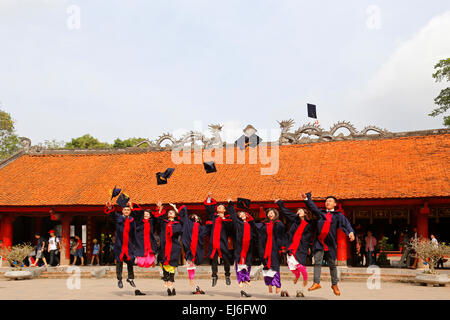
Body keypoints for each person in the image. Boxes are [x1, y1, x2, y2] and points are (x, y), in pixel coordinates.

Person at [301, 192, 355, 296]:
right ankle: (316, 283)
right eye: (326, 201)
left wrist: (350, 232)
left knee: (332, 265)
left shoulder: (338, 215)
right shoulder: (321, 213)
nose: (327, 202)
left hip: (330, 243)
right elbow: (313, 207)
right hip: (319, 242)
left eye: (330, 201)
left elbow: (346, 224)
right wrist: (307, 199)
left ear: (335, 204)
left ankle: (334, 284)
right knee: (317, 262)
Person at [276, 199, 314, 297]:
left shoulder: (308, 225)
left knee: (300, 266)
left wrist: (309, 246)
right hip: (291, 247)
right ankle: (296, 279)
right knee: (291, 266)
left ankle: (304, 280)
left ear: (305, 214)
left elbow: (309, 237)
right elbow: (287, 213)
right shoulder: (295, 221)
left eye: (300, 211)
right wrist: (280, 203)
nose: (298, 212)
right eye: (297, 211)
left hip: (301, 248)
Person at [254, 208, 287, 297]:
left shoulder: (279, 224)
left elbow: (282, 235)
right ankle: (269, 284)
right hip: (264, 248)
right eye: (268, 213)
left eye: (272, 213)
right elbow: (256, 230)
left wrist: (283, 247)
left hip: (274, 248)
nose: (270, 214)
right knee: (266, 267)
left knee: (275, 267)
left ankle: (277, 285)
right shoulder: (263, 224)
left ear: (275, 214)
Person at [204, 192, 234, 287]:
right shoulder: (213, 217)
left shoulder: (228, 218)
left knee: (226, 259)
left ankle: (227, 275)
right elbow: (208, 209)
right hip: (214, 242)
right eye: (218, 207)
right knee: (213, 260)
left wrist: (224, 218)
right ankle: (214, 276)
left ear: (224, 210)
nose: (219, 208)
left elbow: (231, 227)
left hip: (222, 242)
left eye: (221, 207)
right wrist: (209, 198)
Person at [105, 200, 137, 289]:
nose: (126, 211)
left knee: (130, 261)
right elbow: (112, 215)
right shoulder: (118, 218)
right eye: (125, 210)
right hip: (120, 245)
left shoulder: (132, 220)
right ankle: (119, 279)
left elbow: (134, 233)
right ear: (122, 211)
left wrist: (135, 245)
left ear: (130, 211)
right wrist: (110, 208)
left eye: (128, 210)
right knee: (119, 262)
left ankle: (130, 278)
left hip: (129, 245)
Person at [227, 199, 256, 298]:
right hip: (240, 246)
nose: (242, 215)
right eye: (241, 214)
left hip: (249, 246)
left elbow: (256, 228)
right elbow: (233, 215)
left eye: (244, 214)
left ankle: (246, 278)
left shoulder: (251, 224)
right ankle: (240, 280)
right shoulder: (239, 224)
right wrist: (230, 204)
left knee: (248, 263)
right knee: (239, 263)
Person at [153, 201, 183, 296]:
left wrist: (175, 208)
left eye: (172, 212)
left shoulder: (178, 224)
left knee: (171, 266)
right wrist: (160, 209)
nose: (170, 213)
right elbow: (157, 219)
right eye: (169, 212)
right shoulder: (164, 223)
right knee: (163, 263)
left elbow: (183, 222)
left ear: (175, 215)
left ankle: (171, 283)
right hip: (164, 246)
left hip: (173, 247)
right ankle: (167, 281)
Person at [177, 203, 207, 295]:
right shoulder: (188, 223)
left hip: (197, 247)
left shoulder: (201, 227)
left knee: (196, 262)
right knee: (190, 264)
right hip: (189, 246)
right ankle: (192, 280)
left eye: (196, 216)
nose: (195, 217)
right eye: (193, 216)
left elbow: (205, 233)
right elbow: (184, 215)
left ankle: (196, 285)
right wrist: (179, 208)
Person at [132, 204, 158, 269]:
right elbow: (136, 215)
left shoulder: (152, 221)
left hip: (150, 241)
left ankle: (152, 261)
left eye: (147, 214)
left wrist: (158, 209)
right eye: (144, 214)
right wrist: (132, 207)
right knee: (140, 263)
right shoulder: (139, 222)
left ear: (150, 216)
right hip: (141, 241)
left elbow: (157, 218)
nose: (145, 215)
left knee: (149, 261)